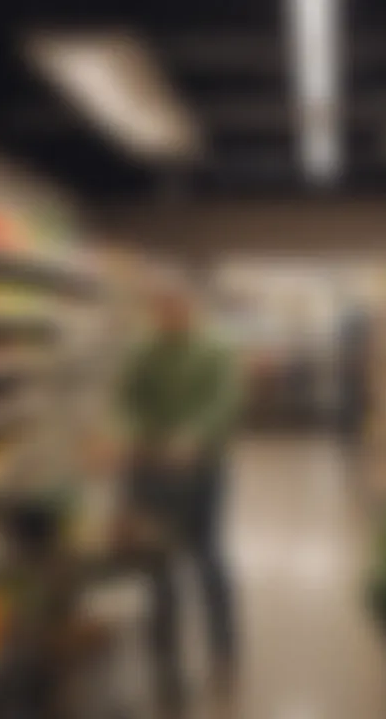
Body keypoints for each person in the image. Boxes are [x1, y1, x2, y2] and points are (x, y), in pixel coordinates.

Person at [116, 277, 240, 716]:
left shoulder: (216, 350)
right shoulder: (143, 352)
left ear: (192, 307)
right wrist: (128, 435)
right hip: (150, 469)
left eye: (176, 306)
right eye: (161, 308)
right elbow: (126, 401)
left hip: (202, 469)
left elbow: (224, 402)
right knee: (157, 562)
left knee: (207, 555)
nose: (168, 315)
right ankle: (166, 655)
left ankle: (224, 650)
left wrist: (195, 437)